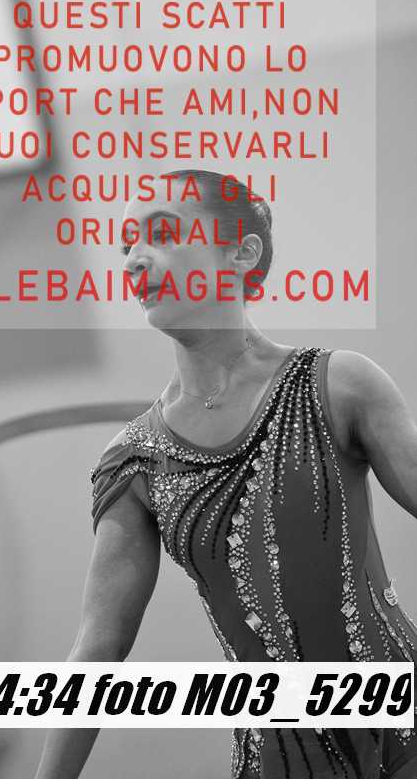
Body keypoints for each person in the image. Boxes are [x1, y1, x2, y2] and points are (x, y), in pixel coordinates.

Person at [34, 170, 417, 778]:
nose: (133, 260)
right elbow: (96, 651)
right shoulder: (135, 460)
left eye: (162, 234)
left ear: (241, 252)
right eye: (126, 245)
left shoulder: (339, 385)